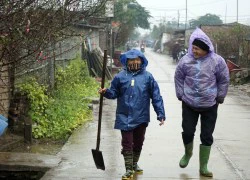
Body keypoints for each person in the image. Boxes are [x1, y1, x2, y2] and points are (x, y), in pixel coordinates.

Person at [99, 49, 165, 180]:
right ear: (126, 61)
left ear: (142, 61)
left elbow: (156, 96)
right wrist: (105, 92)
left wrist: (160, 114)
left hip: (141, 116)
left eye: (137, 59)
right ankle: (128, 169)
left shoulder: (148, 77)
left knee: (139, 142)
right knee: (127, 143)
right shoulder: (120, 77)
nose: (134, 62)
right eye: (131, 60)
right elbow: (113, 93)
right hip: (124, 116)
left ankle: (134, 164)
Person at [174, 27, 229, 177]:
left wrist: (220, 96)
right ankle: (188, 153)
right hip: (189, 103)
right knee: (187, 131)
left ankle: (203, 166)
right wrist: (180, 94)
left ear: (206, 49)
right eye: (193, 48)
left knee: (206, 135)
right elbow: (178, 77)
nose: (195, 51)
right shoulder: (185, 60)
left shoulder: (217, 61)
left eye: (197, 49)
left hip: (210, 104)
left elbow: (223, 80)